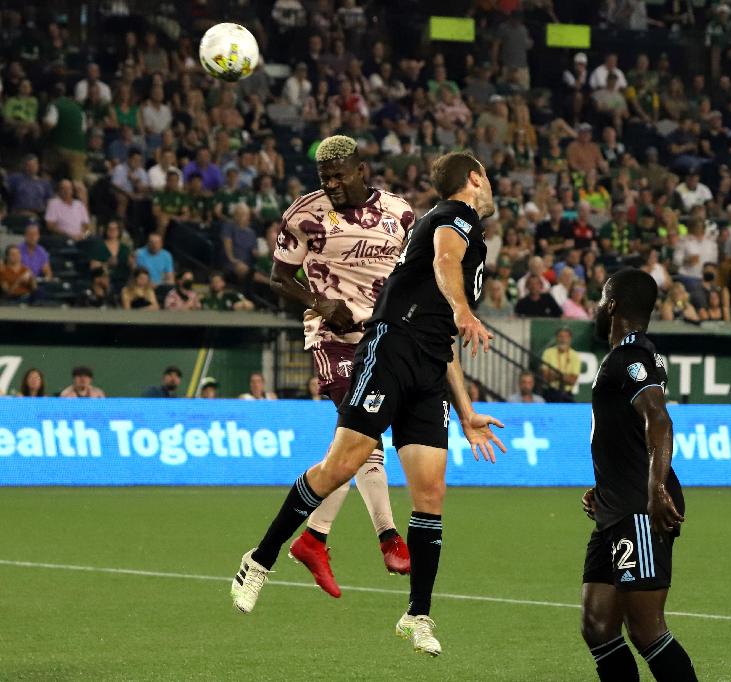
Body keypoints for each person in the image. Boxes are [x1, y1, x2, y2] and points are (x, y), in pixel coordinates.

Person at [231, 151, 505, 660]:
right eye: (486, 177)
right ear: (474, 178)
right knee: (343, 464)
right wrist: (467, 312)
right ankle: (260, 559)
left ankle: (417, 615)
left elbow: (442, 338)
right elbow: (446, 262)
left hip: (427, 368)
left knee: (431, 493)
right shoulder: (454, 216)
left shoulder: (466, 234)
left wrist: (466, 411)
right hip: (390, 351)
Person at [269, 134, 416, 591]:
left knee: (356, 443)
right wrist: (318, 301)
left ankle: (314, 536)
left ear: (360, 170)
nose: (331, 183)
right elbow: (278, 276)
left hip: (383, 338)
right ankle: (388, 536)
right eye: (324, 177)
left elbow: (413, 275)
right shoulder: (304, 215)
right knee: (364, 435)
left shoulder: (400, 214)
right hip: (332, 337)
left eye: (338, 175)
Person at [579, 268, 697, 682]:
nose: (595, 306)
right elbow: (627, 431)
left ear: (611, 305)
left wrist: (654, 488)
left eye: (599, 298)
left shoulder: (631, 356)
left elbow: (659, 420)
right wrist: (605, 484)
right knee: (597, 626)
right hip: (616, 505)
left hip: (637, 510)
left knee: (646, 630)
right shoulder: (625, 357)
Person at [540, 327, 581, 402]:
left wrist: (555, 375)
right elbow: (545, 377)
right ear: (556, 338)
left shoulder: (574, 355)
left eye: (566, 337)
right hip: (550, 392)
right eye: (560, 336)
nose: (563, 339)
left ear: (570, 339)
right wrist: (564, 377)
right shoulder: (548, 352)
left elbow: (573, 380)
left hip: (567, 394)